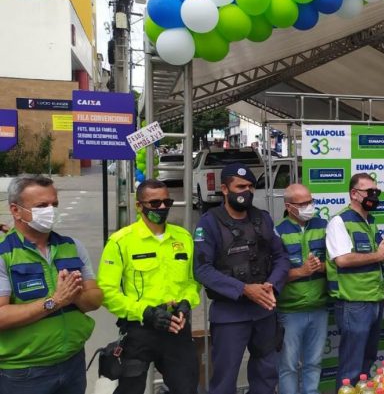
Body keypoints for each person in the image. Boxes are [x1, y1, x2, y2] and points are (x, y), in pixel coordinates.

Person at [0, 175, 102, 394]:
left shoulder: (72, 246)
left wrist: (75, 295)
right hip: (24, 373)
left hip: (72, 362)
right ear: (15, 210)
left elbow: (95, 299)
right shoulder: (4, 253)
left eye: (54, 204)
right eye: (41, 206)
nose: (51, 210)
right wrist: (54, 301)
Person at [193, 163, 289, 394]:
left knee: (266, 375)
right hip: (230, 315)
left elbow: (282, 257)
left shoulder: (263, 219)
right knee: (225, 378)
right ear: (225, 189)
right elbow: (202, 269)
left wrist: (271, 285)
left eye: (250, 187)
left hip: (264, 310)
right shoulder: (209, 222)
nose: (246, 191)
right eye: (240, 186)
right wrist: (244, 289)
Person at [98, 179, 200, 394]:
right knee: (130, 390)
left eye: (167, 202)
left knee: (187, 388)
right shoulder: (120, 241)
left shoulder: (183, 237)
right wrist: (145, 312)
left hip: (177, 328)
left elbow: (193, 281)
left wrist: (186, 303)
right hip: (140, 331)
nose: (162, 208)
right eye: (154, 203)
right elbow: (106, 291)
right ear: (139, 206)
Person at [325, 173, 384, 390]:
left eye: (376, 192)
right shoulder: (340, 222)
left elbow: (378, 258)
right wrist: (380, 255)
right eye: (369, 192)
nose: (374, 196)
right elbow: (342, 259)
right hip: (354, 303)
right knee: (351, 365)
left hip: (374, 299)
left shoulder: (370, 221)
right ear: (354, 194)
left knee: (367, 361)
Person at [275, 184, 328, 394]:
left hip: (319, 307)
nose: (309, 207)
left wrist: (323, 267)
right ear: (289, 207)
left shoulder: (324, 226)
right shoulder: (277, 232)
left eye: (310, 201)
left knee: (314, 363)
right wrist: (301, 271)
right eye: (303, 203)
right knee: (288, 365)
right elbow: (272, 275)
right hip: (290, 310)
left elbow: (338, 262)